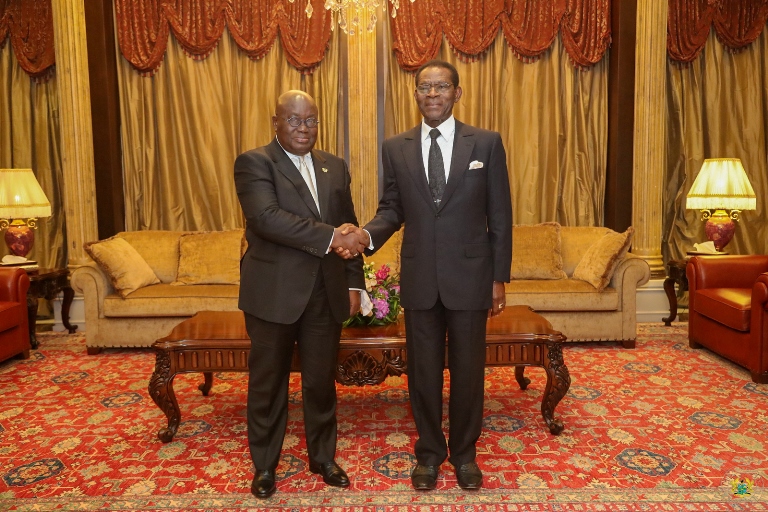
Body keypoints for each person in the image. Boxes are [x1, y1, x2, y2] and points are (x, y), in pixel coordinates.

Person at [343, 60, 512, 490]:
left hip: (471, 278)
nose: (432, 94)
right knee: (423, 373)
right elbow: (392, 208)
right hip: (419, 278)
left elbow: (500, 216)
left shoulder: (486, 144)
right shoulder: (395, 146)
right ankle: (430, 454)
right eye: (424, 87)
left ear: (457, 93)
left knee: (469, 371)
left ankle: (466, 455)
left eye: (441, 86)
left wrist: (499, 278)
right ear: (415, 94)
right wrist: (365, 234)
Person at [234, 90, 367, 499]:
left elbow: (348, 223)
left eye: (311, 120)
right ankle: (265, 465)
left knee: (321, 382)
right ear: (275, 121)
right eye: (294, 120)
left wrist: (353, 283)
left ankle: (322, 457)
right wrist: (332, 237)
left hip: (325, 293)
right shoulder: (254, 163)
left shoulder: (334, 166)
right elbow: (267, 219)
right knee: (268, 383)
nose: (303, 128)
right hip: (273, 293)